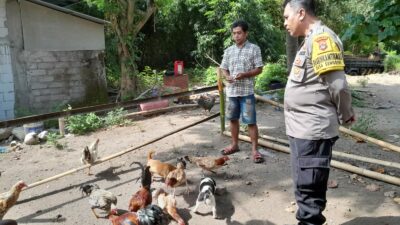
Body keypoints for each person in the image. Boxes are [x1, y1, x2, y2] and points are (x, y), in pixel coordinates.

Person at [282, 0, 355, 224]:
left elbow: (338, 86)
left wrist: (346, 113)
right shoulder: (310, 40)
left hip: (312, 132)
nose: (285, 23)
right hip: (302, 130)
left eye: (287, 17)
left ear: (301, 13)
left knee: (309, 195)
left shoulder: (322, 39)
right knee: (304, 190)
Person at [219, 20, 264, 163]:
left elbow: (259, 69)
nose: (236, 36)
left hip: (247, 92)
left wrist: (244, 74)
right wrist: (227, 76)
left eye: (239, 33)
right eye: (234, 33)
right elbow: (223, 68)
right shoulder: (228, 51)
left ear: (246, 33)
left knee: (251, 121)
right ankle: (234, 145)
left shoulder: (254, 49)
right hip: (231, 91)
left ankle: (255, 150)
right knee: (233, 119)